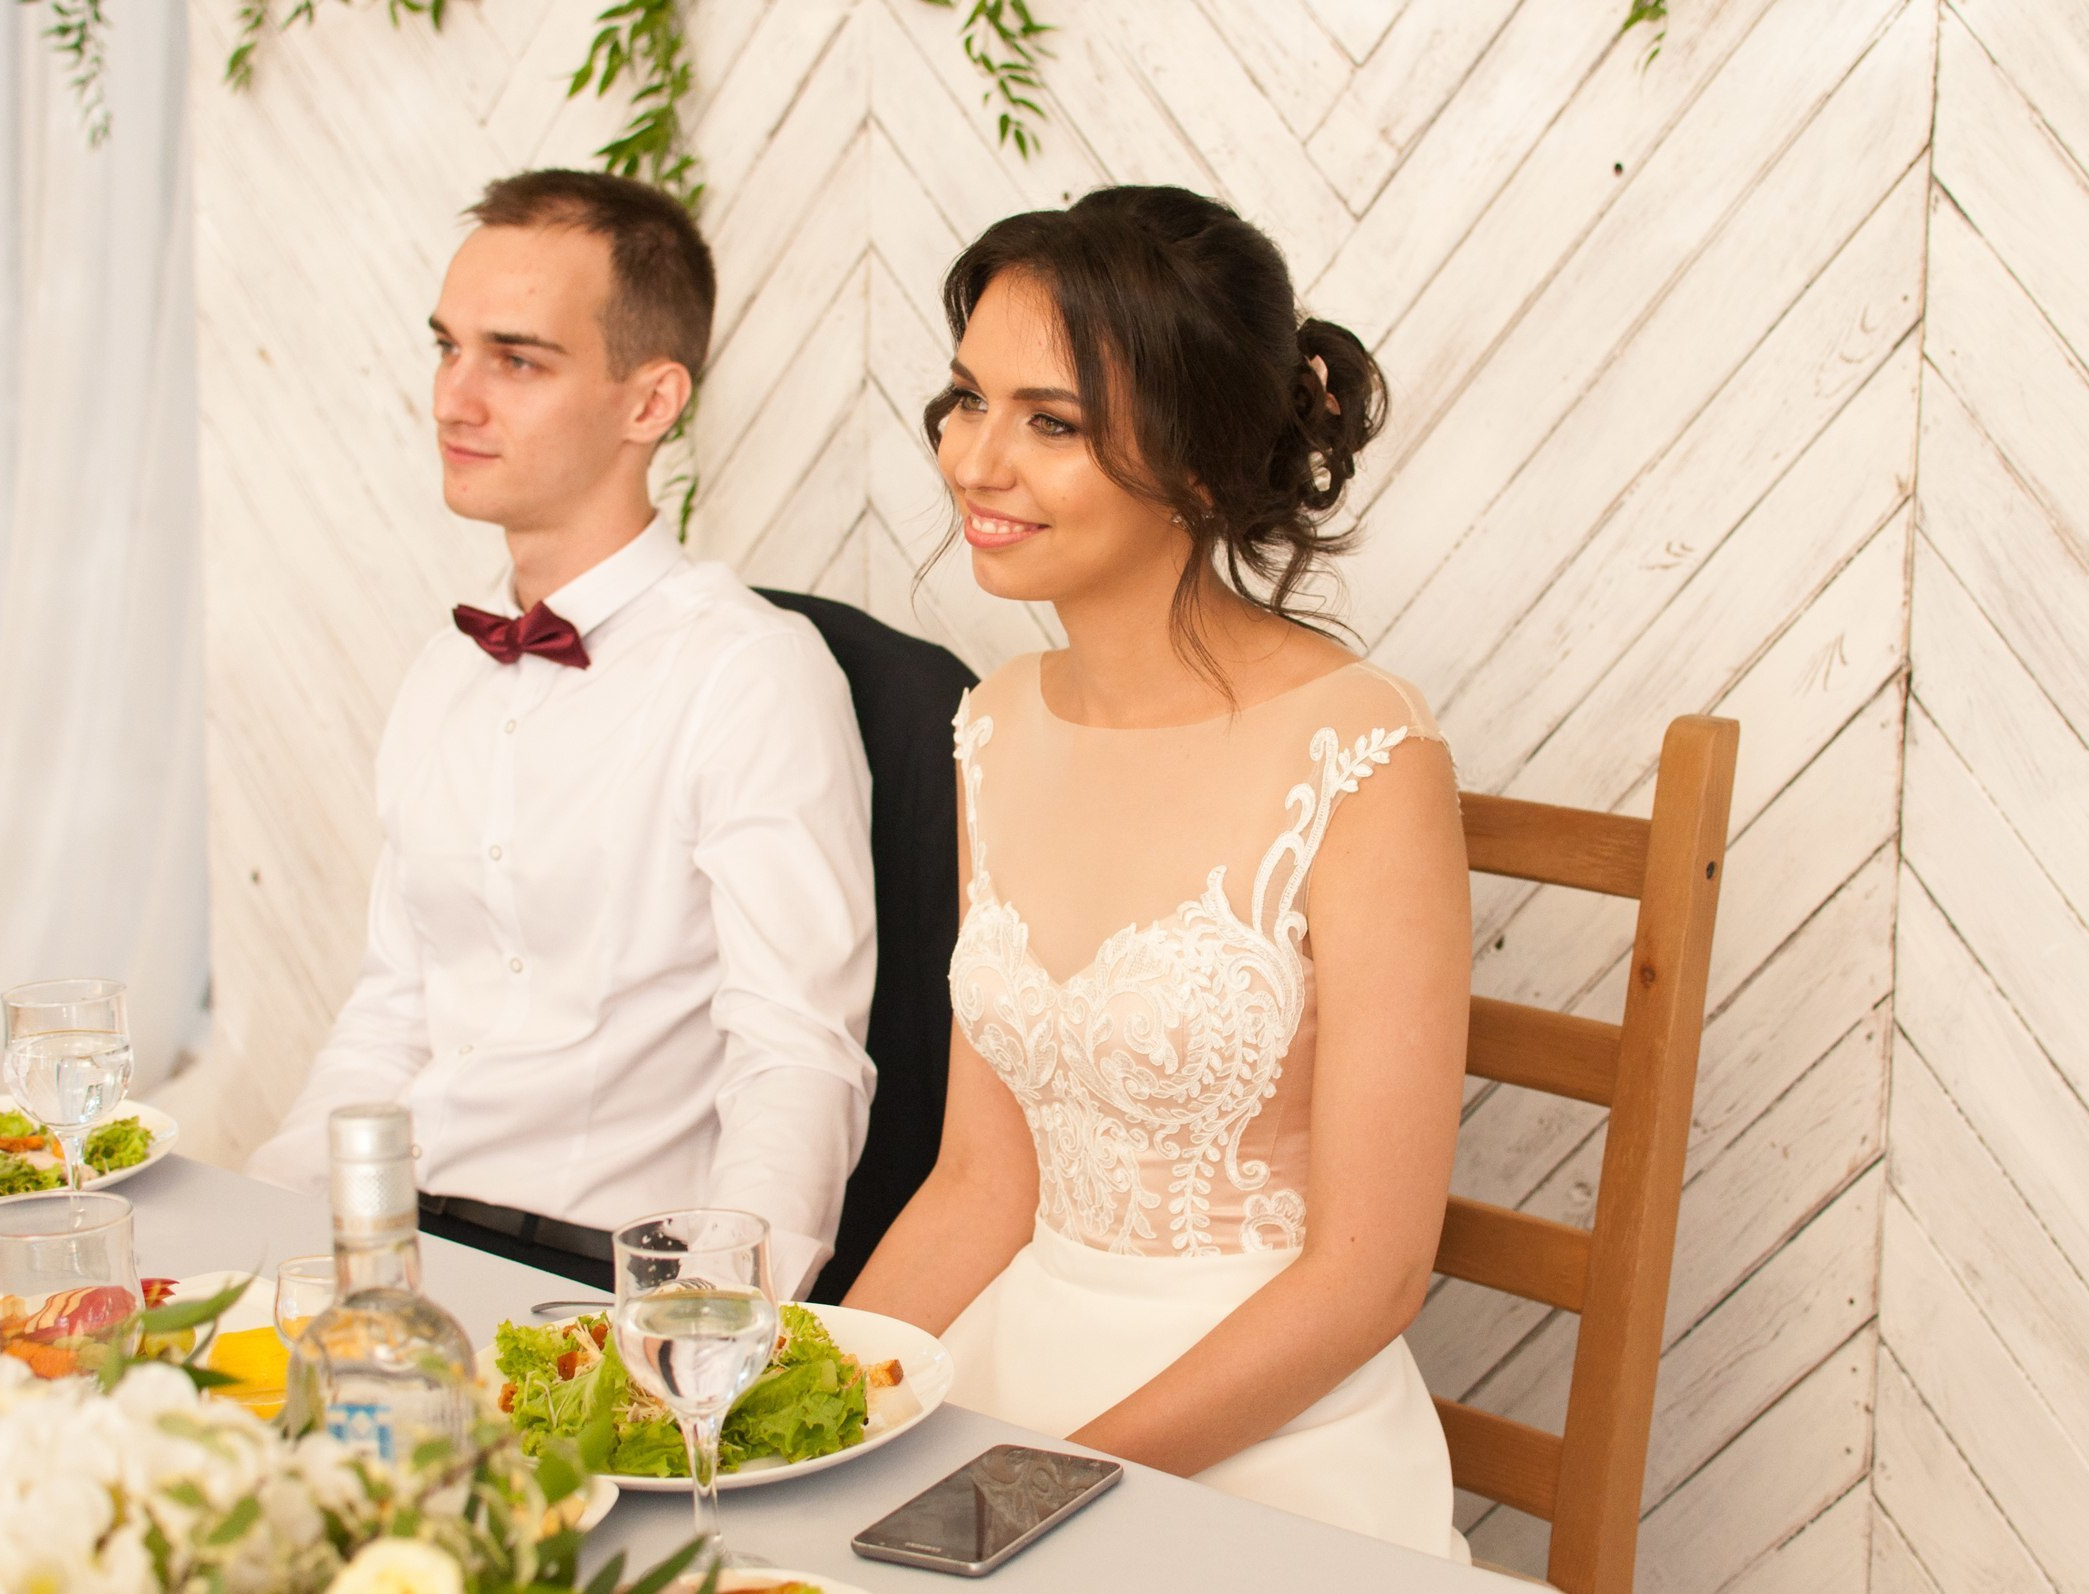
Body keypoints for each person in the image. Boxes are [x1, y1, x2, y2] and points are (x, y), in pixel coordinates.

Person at [840, 186, 1475, 1560]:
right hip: (1012, 1380)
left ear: (1198, 463)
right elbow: (981, 1181)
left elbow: (1371, 1274)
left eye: (1052, 423)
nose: (975, 461)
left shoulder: (1364, 752)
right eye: (969, 400)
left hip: (1265, 1433)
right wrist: (810, 1398)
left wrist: (1033, 1489)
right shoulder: (996, 721)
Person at [246, 170, 876, 1301]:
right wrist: (267, 1230)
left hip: (600, 1285)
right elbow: (393, 1006)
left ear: (650, 402)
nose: (454, 399)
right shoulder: (443, 670)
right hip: (397, 1254)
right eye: (448, 348)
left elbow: (796, 1055)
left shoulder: (750, 673)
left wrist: (716, 1324)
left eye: (517, 360)